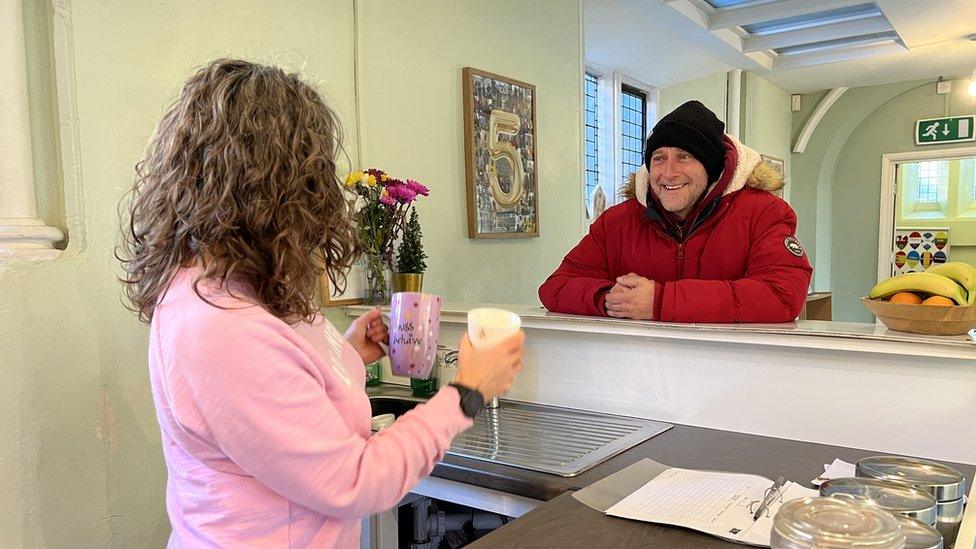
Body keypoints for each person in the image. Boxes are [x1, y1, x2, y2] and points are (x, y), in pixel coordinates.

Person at [118, 59, 524, 547]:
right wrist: (466, 394)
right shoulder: (220, 327)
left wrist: (348, 354)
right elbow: (355, 481)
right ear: (278, 187)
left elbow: (289, 392)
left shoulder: (229, 282)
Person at [539, 100, 812, 323]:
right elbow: (556, 287)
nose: (669, 173)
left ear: (712, 167)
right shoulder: (618, 221)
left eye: (685, 156)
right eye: (659, 158)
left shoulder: (764, 213)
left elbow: (782, 295)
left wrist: (660, 302)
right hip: (639, 373)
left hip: (733, 373)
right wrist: (609, 298)